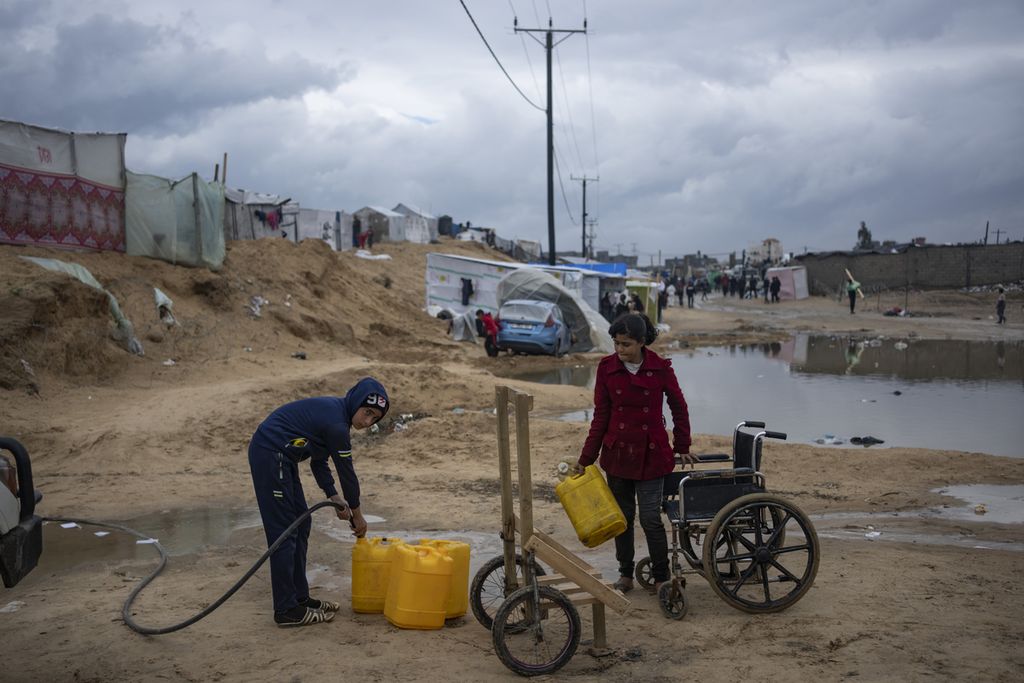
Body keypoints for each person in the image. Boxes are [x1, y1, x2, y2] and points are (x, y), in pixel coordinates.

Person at [248, 378, 389, 627]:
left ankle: (299, 599)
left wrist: (333, 496)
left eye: (374, 418)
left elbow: (318, 461)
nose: (367, 422)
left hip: (283, 458)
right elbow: (347, 473)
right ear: (356, 402)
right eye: (367, 412)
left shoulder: (337, 417)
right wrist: (358, 514)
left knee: (301, 524)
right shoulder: (336, 423)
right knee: (285, 532)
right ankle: (286, 610)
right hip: (270, 453)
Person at [576, 313, 694, 594]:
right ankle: (625, 574)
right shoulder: (606, 368)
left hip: (652, 455)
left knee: (651, 518)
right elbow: (600, 417)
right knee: (622, 518)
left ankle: (661, 576)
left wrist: (683, 446)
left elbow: (679, 406)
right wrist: (585, 460)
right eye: (616, 343)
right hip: (618, 455)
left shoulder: (660, 367)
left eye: (626, 344)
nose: (620, 350)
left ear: (642, 342)